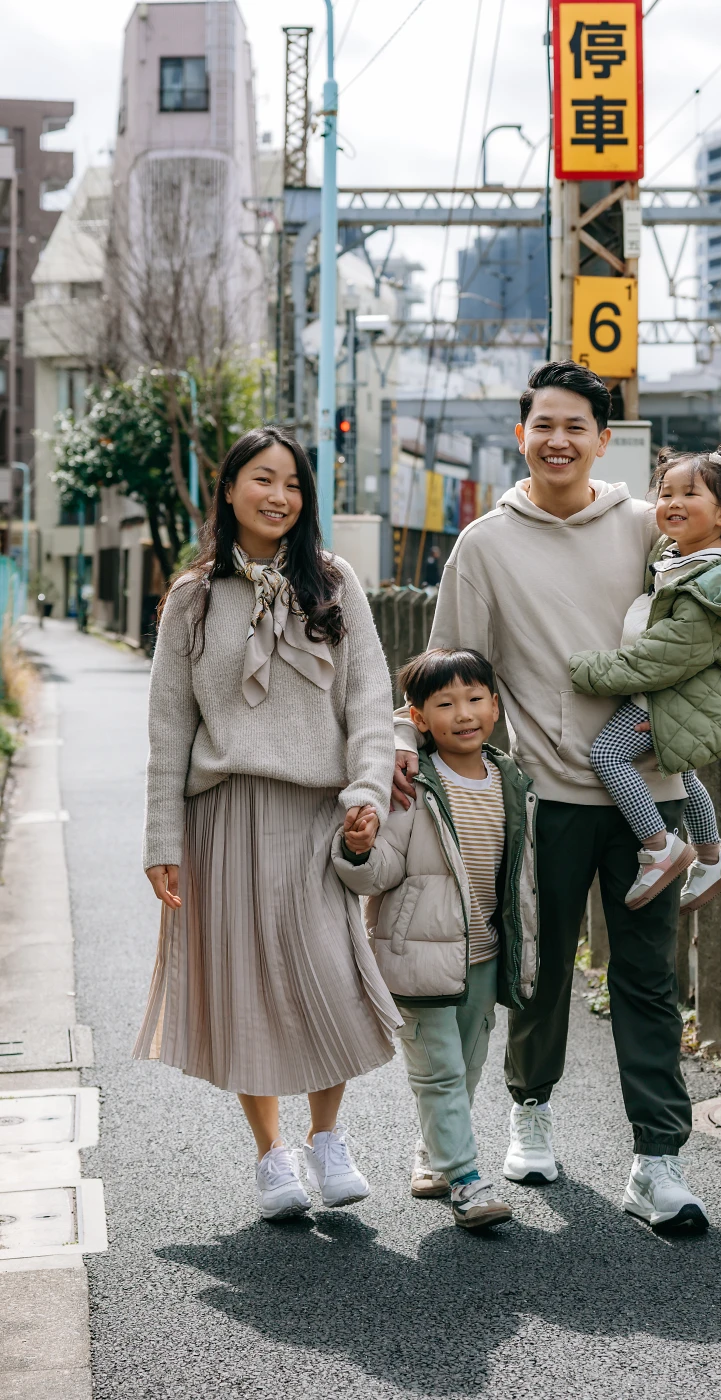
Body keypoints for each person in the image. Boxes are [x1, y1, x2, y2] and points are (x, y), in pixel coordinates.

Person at [393, 361, 709, 1234]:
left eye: (577, 425)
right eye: (543, 426)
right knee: (538, 969)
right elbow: (447, 673)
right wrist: (401, 754)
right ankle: (528, 1114)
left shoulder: (650, 528)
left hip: (653, 795)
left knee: (648, 978)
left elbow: (716, 608)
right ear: (521, 435)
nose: (558, 440)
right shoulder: (484, 545)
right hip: (544, 798)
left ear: (604, 439)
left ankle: (657, 1160)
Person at [136, 425, 401, 1222]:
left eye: (291, 483)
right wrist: (160, 840)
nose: (278, 495)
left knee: (329, 974)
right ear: (228, 489)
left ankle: (327, 1139)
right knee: (245, 984)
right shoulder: (191, 597)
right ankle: (271, 1156)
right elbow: (167, 727)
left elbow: (368, 699)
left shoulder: (334, 581)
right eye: (261, 478)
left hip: (317, 814)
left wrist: (368, 791)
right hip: (219, 815)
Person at [333, 647, 538, 1231]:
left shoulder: (511, 780)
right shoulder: (410, 788)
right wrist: (358, 847)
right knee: (440, 1072)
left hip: (483, 955)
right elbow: (379, 874)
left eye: (475, 699)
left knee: (468, 1067)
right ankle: (468, 1182)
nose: (463, 713)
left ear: (496, 707)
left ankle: (433, 1155)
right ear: (418, 718)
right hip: (417, 955)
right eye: (445, 704)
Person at [571, 444, 721, 918]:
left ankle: (661, 847)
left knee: (608, 754)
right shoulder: (685, 554)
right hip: (683, 689)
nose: (672, 504)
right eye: (665, 494)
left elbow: (665, 657)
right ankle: (711, 858)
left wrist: (582, 669)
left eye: (690, 494)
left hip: (668, 689)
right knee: (680, 770)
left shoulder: (711, 578)